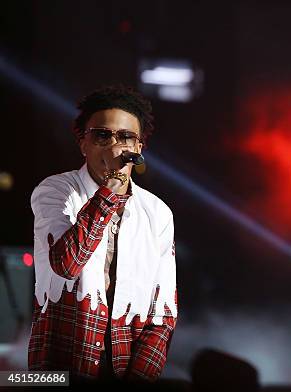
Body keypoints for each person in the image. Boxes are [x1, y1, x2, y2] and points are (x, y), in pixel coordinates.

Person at [28, 85, 178, 382]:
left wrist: (139, 381)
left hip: (124, 367)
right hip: (58, 372)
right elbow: (66, 264)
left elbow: (164, 314)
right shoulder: (55, 191)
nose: (114, 146)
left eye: (125, 137)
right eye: (102, 135)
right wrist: (110, 188)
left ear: (138, 148)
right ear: (83, 143)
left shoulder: (158, 213)